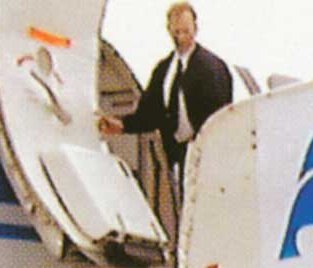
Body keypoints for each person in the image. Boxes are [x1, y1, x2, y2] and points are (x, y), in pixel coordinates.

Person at [99, 2, 233, 171]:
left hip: (205, 154)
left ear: (195, 28)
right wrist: (122, 125)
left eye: (186, 31)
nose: (182, 37)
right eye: (177, 32)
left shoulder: (212, 68)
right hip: (175, 156)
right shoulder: (164, 70)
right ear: (169, 30)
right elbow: (150, 113)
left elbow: (220, 118)